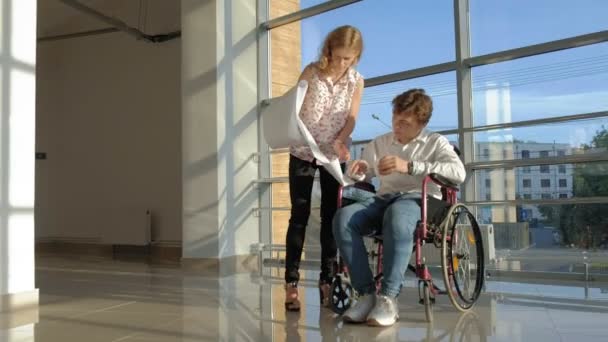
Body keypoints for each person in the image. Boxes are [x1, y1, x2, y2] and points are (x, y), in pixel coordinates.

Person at [332, 89, 466, 326]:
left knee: (397, 214)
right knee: (343, 219)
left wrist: (410, 166)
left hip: (418, 200)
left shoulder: (435, 142)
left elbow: (459, 173)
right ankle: (366, 294)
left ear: (421, 123)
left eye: (404, 122)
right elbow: (364, 175)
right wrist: (360, 169)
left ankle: (388, 298)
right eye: (395, 119)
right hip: (383, 199)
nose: (396, 126)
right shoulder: (380, 143)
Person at [284, 25, 365, 311]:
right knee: (300, 215)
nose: (342, 63)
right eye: (338, 56)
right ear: (328, 50)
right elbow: (292, 111)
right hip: (303, 151)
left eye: (348, 59)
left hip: (334, 154)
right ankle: (291, 284)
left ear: (356, 57)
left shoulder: (357, 81)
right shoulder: (311, 72)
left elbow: (352, 117)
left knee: (331, 218)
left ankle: (326, 281)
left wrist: (342, 140)